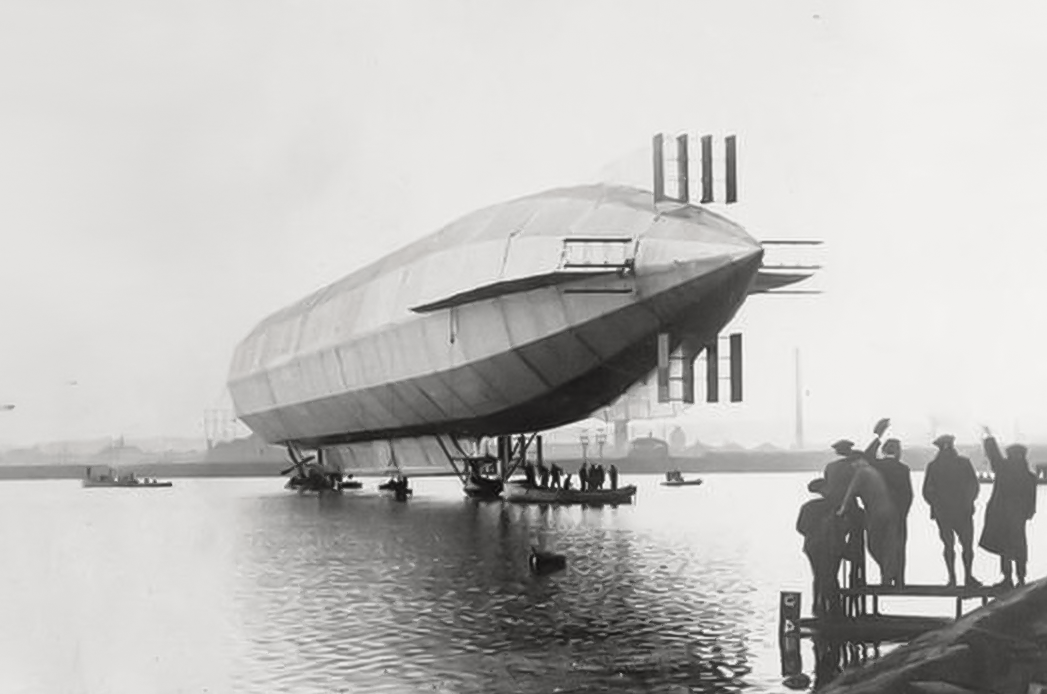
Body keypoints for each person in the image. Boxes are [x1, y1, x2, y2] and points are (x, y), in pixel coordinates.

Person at [978, 427, 1037, 587]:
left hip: (1003, 515)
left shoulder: (1003, 469)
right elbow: (1032, 500)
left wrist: (988, 437)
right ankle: (1021, 578)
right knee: (1019, 545)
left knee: (1005, 547)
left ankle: (1008, 578)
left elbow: (993, 454)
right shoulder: (1029, 476)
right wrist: (1028, 513)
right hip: (1018, 517)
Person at [922, 434, 981, 586]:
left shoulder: (934, 466)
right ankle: (965, 577)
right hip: (960, 512)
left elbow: (927, 492)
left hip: (949, 512)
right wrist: (968, 502)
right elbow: (974, 486)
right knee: (964, 546)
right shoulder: (962, 463)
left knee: (952, 546)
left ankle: (955, 578)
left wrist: (936, 505)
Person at [837, 456, 902, 586]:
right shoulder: (875, 472)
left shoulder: (861, 472)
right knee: (889, 545)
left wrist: (842, 510)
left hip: (877, 513)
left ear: (858, 462)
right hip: (891, 511)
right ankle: (889, 574)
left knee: (873, 545)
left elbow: (851, 492)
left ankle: (888, 572)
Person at [867, 436, 914, 584]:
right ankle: (898, 578)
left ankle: (886, 573)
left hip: (878, 512)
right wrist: (903, 512)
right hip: (897, 513)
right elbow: (908, 494)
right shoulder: (903, 469)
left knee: (876, 544)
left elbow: (867, 455)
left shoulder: (877, 465)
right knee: (898, 546)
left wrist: (877, 437)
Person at [797, 478, 846, 616]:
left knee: (819, 576)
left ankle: (818, 608)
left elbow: (800, 528)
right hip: (833, 545)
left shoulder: (808, 507)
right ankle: (834, 609)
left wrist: (813, 533)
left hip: (813, 546)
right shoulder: (837, 505)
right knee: (831, 576)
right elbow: (845, 526)